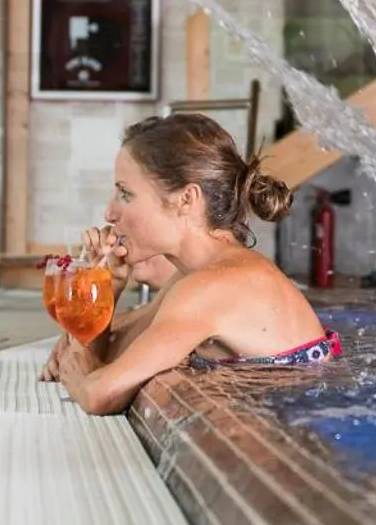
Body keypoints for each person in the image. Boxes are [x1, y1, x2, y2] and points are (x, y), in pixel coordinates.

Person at [41, 113, 339, 416]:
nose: (109, 212)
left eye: (125, 194)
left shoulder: (212, 287)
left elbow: (99, 394)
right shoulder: (193, 278)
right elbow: (116, 356)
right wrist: (108, 287)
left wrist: (75, 362)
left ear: (186, 199)